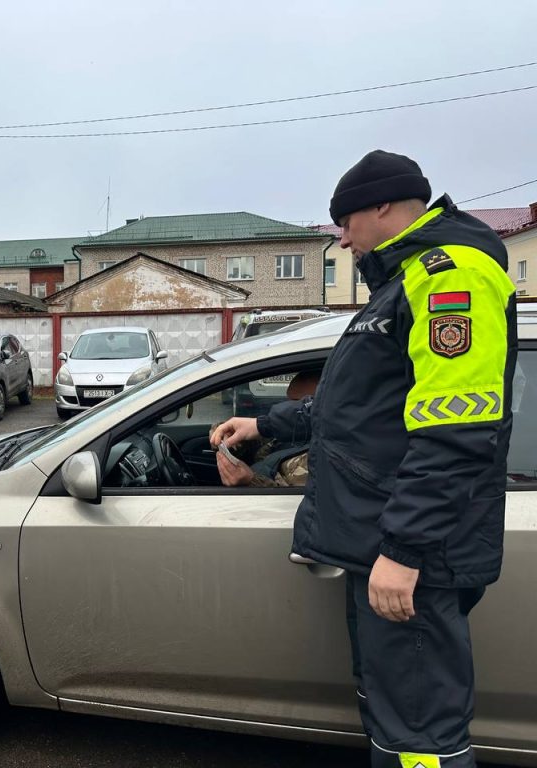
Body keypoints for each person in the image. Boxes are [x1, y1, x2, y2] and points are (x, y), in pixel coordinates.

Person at [211, 150, 516, 768]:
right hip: (388, 542)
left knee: (420, 739)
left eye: (345, 223)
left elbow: (456, 433)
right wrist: (266, 423)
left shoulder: (449, 277)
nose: (343, 240)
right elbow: (365, 409)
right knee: (397, 718)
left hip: (414, 555)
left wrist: (403, 552)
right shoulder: (402, 282)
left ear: (382, 205)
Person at [215, 371, 319, 488]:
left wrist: (250, 481)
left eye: (296, 404)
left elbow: (292, 497)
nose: (288, 409)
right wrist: (232, 437)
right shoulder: (285, 430)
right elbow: (263, 445)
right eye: (287, 402)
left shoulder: (317, 460)